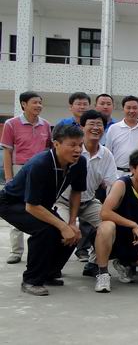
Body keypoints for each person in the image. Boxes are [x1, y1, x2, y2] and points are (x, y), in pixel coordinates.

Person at [0, 124, 86, 296]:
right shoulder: (40, 164)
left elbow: (76, 192)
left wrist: (71, 223)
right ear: (56, 144)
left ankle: (48, 273)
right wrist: (63, 226)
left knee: (74, 234)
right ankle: (31, 280)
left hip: (39, 205)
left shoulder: (79, 163)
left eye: (80, 144)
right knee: (45, 230)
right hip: (11, 203)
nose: (78, 149)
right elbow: (31, 206)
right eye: (72, 145)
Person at [93, 149, 138, 292]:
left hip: (133, 238)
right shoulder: (122, 184)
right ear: (132, 168)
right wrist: (132, 224)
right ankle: (102, 273)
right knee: (107, 226)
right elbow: (105, 212)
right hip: (116, 236)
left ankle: (124, 262)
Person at [56, 110, 118, 278]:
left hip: (89, 201)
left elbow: (112, 184)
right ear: (82, 127)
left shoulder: (106, 154)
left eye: (100, 125)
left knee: (110, 225)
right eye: (91, 124)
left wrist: (110, 207)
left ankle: (94, 263)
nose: (96, 128)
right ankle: (53, 265)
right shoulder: (72, 150)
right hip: (63, 201)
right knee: (60, 229)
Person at [1, 91, 51, 264]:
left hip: (41, 171)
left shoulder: (46, 125)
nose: (39, 105)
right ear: (24, 104)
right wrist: (9, 178)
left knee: (39, 207)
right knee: (17, 208)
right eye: (35, 102)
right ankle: (16, 251)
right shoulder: (11, 124)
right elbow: (7, 152)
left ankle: (38, 248)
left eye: (40, 102)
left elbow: (49, 150)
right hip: (20, 169)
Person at [105, 95, 138, 175]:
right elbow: (107, 153)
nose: (131, 111)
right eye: (128, 108)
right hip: (116, 173)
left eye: (134, 108)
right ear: (123, 109)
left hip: (137, 174)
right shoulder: (113, 128)